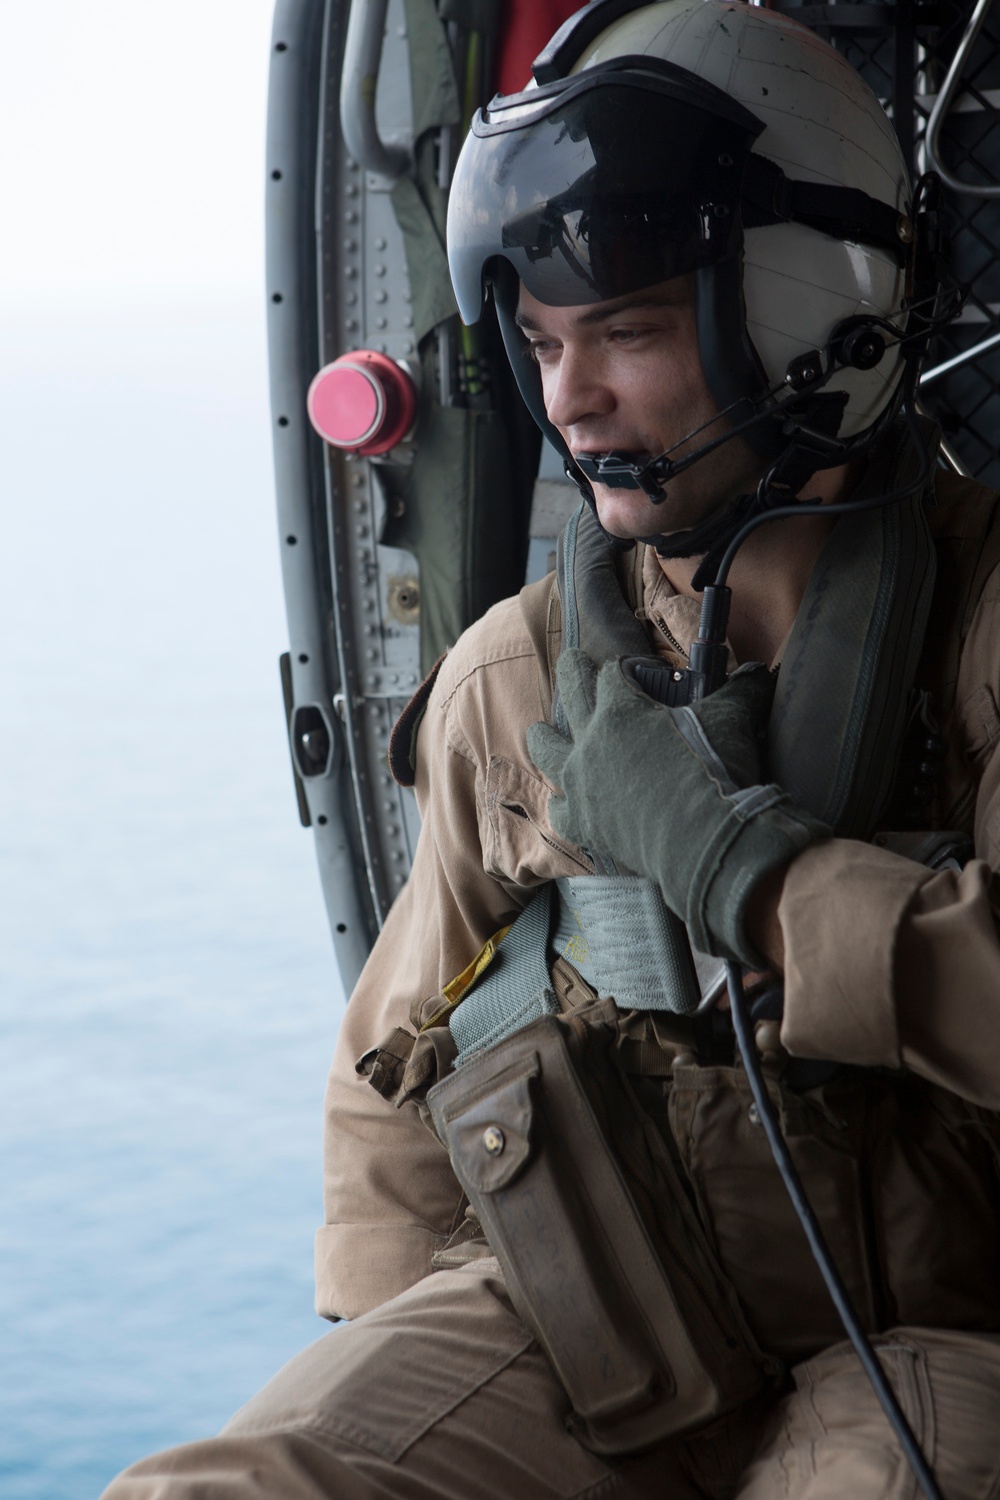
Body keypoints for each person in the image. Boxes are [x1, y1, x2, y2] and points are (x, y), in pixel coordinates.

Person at [105, 2, 1000, 1496]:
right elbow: (391, 1074)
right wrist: (390, 1367)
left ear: (803, 309)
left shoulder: (978, 629)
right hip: (595, 1301)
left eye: (629, 333)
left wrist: (750, 876)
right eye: (540, 345)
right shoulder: (512, 676)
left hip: (942, 1329)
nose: (573, 402)